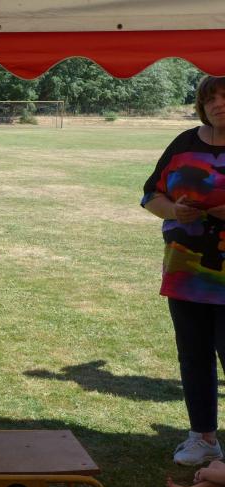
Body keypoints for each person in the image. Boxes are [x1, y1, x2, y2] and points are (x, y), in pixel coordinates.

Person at [142, 75, 225, 466]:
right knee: (193, 357)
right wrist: (174, 210)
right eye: (211, 98)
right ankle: (203, 438)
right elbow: (150, 195)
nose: (219, 104)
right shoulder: (184, 143)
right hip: (186, 272)